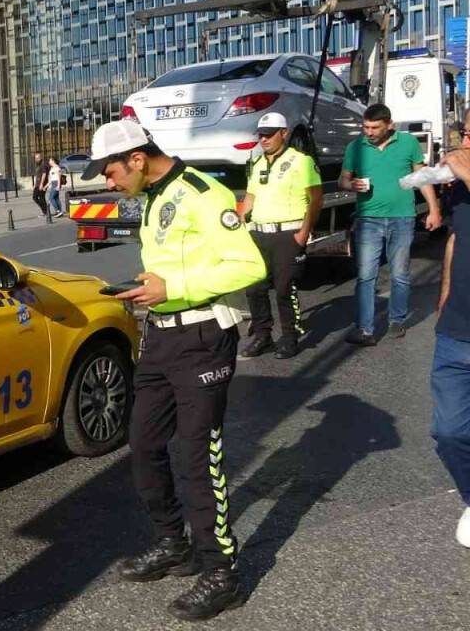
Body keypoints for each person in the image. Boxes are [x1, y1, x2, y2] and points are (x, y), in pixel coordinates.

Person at [80, 120, 265, 622]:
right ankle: (172, 543)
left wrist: (174, 286)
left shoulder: (205, 194)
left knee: (197, 456)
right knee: (142, 444)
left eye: (111, 172)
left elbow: (250, 267)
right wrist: (150, 288)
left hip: (202, 337)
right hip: (161, 335)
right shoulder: (154, 196)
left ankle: (222, 573)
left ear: (137, 158)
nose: (108, 183)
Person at [340, 104, 442, 345]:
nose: (369, 132)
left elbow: (422, 178)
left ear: (389, 125)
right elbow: (343, 180)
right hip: (368, 219)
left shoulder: (408, 143)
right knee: (366, 275)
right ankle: (365, 329)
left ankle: (397, 320)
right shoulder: (356, 147)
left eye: (375, 127)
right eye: (366, 127)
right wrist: (351, 184)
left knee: (400, 273)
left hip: (402, 218)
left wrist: (434, 210)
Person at [236, 112, 324, 359]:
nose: (263, 139)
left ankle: (289, 336)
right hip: (258, 233)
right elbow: (251, 196)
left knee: (284, 288)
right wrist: (241, 222)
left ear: (284, 133)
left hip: (288, 233)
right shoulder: (257, 163)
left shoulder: (301, 161)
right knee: (254, 288)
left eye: (269, 134)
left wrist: (304, 232)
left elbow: (316, 199)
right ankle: (262, 335)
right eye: (261, 135)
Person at [432, 128, 470, 548]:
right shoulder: (460, 183)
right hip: (456, 330)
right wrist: (444, 291)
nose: (465, 143)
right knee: (449, 432)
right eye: (466, 133)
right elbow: (456, 237)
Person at [31, 152, 51, 219]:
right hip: (37, 184)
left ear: (41, 158)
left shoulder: (43, 164)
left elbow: (44, 174)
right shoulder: (38, 165)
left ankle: (45, 211)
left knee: (38, 197)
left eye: (38, 158)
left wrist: (42, 184)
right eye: (36, 158)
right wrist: (35, 184)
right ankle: (46, 211)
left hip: (41, 184)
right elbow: (37, 176)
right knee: (39, 198)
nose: (36, 159)